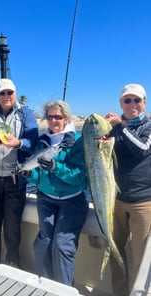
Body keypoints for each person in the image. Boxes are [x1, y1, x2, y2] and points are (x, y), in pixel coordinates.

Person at [19, 100, 88, 286]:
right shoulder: (42, 142)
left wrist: (56, 167)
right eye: (50, 116)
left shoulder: (78, 142)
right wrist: (28, 173)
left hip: (72, 201)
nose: (54, 120)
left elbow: (80, 177)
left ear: (66, 119)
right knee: (43, 242)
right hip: (46, 200)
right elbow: (37, 175)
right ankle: (46, 286)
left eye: (58, 116)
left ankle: (65, 289)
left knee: (62, 245)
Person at [0, 78, 39, 270]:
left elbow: (33, 141)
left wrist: (18, 143)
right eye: (2, 93)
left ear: (15, 94)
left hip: (15, 180)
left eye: (10, 92)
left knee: (13, 227)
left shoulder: (26, 114)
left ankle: (13, 263)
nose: (7, 96)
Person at [105, 83, 151, 296]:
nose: (132, 104)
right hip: (115, 199)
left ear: (144, 103)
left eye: (137, 100)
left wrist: (121, 126)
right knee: (115, 253)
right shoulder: (115, 128)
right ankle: (119, 293)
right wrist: (102, 133)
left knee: (139, 258)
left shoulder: (149, 126)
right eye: (127, 100)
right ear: (121, 103)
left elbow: (141, 149)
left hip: (143, 203)